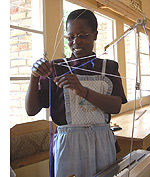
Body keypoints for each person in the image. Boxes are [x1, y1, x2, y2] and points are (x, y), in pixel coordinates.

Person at [25, 9, 127, 177]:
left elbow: (116, 106)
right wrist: (34, 76)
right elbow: (31, 110)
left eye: (82, 35)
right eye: (70, 37)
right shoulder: (56, 68)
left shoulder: (108, 67)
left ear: (95, 35)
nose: (76, 42)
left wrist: (83, 91)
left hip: (101, 142)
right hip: (69, 145)